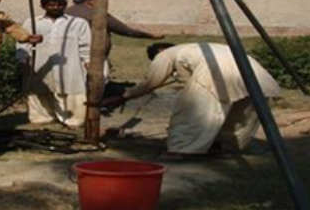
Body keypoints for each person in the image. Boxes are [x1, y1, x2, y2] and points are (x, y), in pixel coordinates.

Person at [101, 42, 281, 160]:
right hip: (252, 70)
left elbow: (151, 82)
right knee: (238, 114)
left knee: (192, 112)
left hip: (217, 73)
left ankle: (180, 150)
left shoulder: (166, 54)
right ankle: (216, 144)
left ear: (159, 51)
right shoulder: (195, 48)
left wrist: (123, 97)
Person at [16, 0, 92, 127]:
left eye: (59, 5)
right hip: (40, 62)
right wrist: (22, 60)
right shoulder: (32, 22)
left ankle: (73, 119)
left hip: (69, 63)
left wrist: (87, 60)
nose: (56, 7)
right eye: (51, 5)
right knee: (39, 89)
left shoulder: (78, 23)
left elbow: (85, 44)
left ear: (64, 6)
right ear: (43, 6)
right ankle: (42, 117)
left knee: (71, 89)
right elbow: (23, 42)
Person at [66, 0, 164, 64]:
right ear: (90, 1)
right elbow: (124, 30)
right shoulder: (97, 14)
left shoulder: (65, 12)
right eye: (98, 0)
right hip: (92, 56)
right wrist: (150, 36)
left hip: (67, 53)